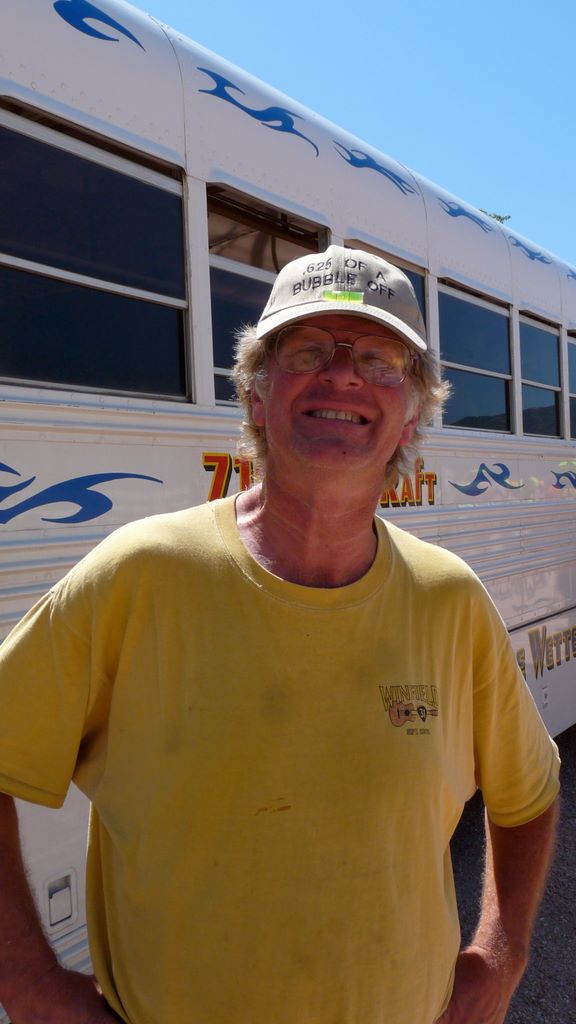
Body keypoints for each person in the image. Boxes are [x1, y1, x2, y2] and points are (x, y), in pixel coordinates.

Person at [0, 245, 560, 1024]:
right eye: (307, 352)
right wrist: (25, 980)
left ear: (412, 414)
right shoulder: (140, 573)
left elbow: (528, 792)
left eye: (379, 359)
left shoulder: (449, 598)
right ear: (257, 396)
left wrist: (501, 954)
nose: (343, 375)